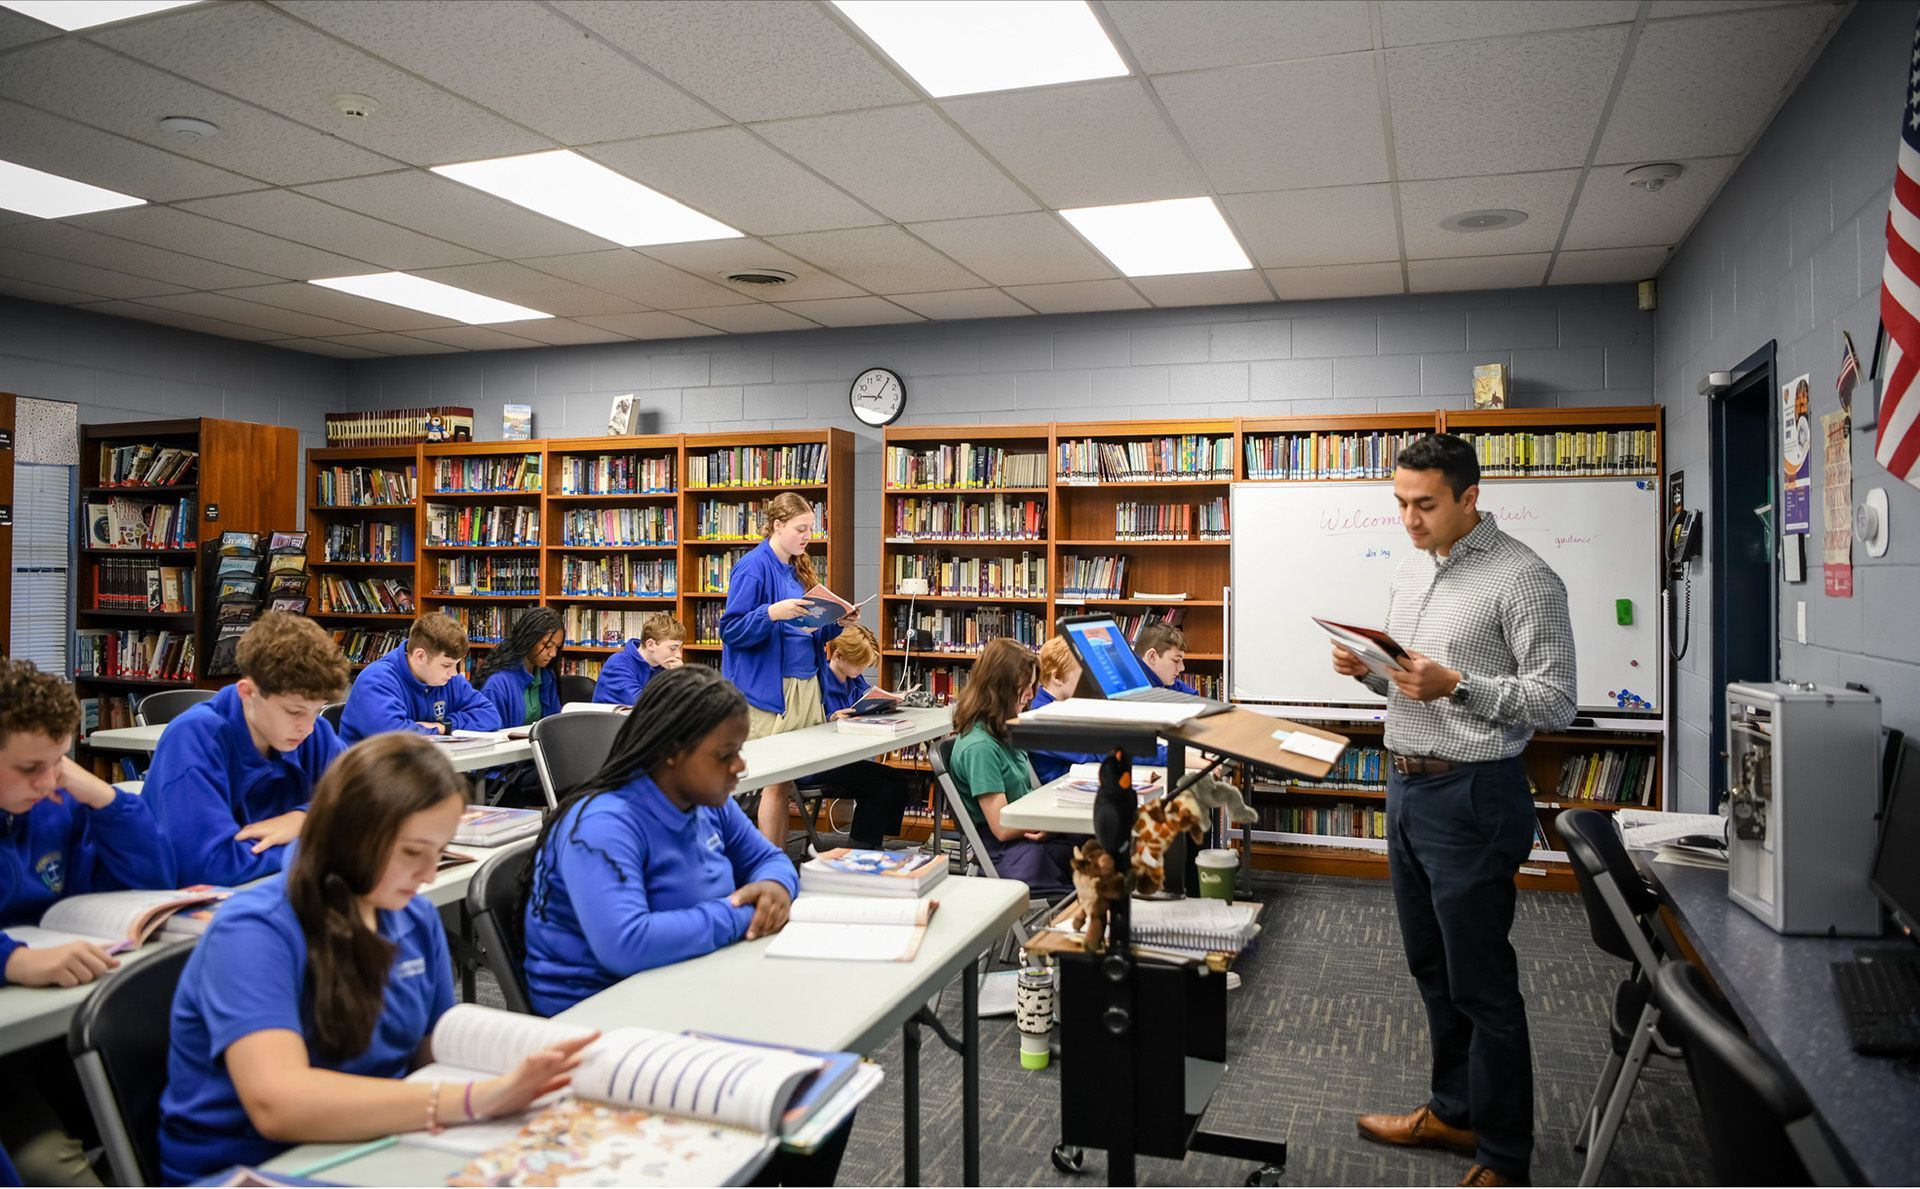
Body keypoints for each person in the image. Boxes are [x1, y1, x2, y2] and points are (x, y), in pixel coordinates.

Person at [158, 734, 595, 1184]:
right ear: (350, 833)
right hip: (257, 1163)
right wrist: (476, 1098)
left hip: (372, 1141)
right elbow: (277, 1103)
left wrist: (536, 1065)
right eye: (412, 852)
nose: (428, 874)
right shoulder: (254, 930)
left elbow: (432, 1048)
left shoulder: (413, 916)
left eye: (439, 851)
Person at [1331, 433, 1575, 1189]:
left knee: (1482, 982)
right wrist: (1372, 670)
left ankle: (1504, 1159)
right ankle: (1454, 1109)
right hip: (1407, 788)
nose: (1408, 518)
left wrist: (1459, 685)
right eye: (1400, 502)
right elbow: (1413, 682)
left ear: (1470, 497)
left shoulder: (1526, 578)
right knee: (1432, 968)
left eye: (1425, 504)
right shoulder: (1414, 567)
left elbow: (1556, 700)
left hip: (1473, 794)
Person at [521, 665, 796, 1016]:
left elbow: (768, 860)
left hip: (684, 980)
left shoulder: (709, 801)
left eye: (740, 750)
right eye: (725, 754)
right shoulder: (603, 825)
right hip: (599, 1013)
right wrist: (748, 916)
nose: (740, 766)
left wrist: (775, 887)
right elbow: (628, 944)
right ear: (671, 751)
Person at [1, 659, 175, 1187]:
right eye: (31, 766)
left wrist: (103, 799)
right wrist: (15, 960)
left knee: (163, 1102)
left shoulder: (54, 800)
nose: (48, 780)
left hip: (58, 1015)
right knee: (47, 1162)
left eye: (59, 760)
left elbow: (153, 876)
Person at [144, 613, 348, 885]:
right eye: (294, 711)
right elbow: (210, 865)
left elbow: (370, 806)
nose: (308, 727)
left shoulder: (315, 734)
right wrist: (320, 840)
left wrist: (303, 818)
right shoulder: (193, 738)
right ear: (247, 692)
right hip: (176, 907)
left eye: (315, 711)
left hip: (273, 892)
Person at [718, 492, 849, 847]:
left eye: (811, 529)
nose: (807, 536)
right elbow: (730, 630)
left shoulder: (796, 567)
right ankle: (770, 863)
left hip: (804, 684)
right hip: (769, 692)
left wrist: (837, 622)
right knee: (774, 780)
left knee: (788, 779)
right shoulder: (753, 566)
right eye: (800, 528)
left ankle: (779, 859)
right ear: (777, 526)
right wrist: (771, 612)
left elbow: (803, 631)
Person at [947, 638, 1075, 896]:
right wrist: (1051, 825)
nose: (1031, 695)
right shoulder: (980, 747)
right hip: (1006, 850)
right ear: (1001, 688)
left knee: (1100, 848)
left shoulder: (1002, 730)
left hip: (1027, 834)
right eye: (1025, 687)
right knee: (1096, 861)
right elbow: (1002, 827)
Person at [810, 625, 917, 851]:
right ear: (838, 656)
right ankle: (860, 849)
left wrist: (889, 702)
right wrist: (830, 718)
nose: (862, 670)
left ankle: (876, 841)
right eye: (859, 664)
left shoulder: (855, 680)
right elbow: (808, 725)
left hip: (844, 758)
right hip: (819, 763)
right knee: (877, 785)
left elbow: (868, 699)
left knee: (896, 780)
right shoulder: (819, 682)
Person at [339, 611, 501, 743]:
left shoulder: (449, 680)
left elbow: (490, 716)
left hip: (420, 773)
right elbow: (395, 738)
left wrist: (444, 726)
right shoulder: (376, 681)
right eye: (446, 665)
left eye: (456, 664)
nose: (454, 673)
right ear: (420, 656)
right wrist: (436, 731)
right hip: (370, 778)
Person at [473, 609, 563, 806]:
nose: (553, 653)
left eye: (557, 647)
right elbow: (490, 744)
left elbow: (554, 725)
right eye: (547, 645)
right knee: (571, 778)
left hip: (534, 762)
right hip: (505, 772)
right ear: (529, 639)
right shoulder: (498, 683)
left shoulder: (546, 677)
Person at [1026, 637, 1102, 784]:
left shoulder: (1066, 705)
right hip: (1060, 790)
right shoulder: (1042, 716)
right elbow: (1092, 751)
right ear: (1057, 676)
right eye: (1083, 673)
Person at [592, 612, 685, 706]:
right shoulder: (617, 664)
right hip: (612, 720)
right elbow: (643, 704)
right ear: (651, 645)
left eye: (679, 648)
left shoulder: (664, 666)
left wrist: (682, 678)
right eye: (673, 648)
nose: (679, 655)